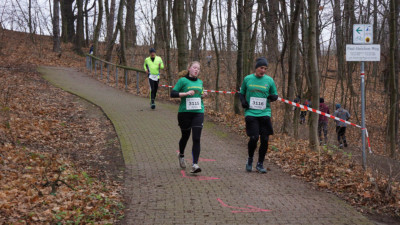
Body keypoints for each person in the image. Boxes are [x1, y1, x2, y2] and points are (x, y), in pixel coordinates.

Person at [239, 57, 278, 173]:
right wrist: (243, 102)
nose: (263, 70)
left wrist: (273, 97)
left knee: (265, 139)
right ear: (256, 68)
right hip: (251, 112)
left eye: (265, 68)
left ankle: (260, 163)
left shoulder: (269, 81)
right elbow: (241, 93)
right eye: (261, 68)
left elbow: (275, 95)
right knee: (254, 137)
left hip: (265, 112)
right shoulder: (248, 79)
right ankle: (250, 159)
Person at [170, 61, 208, 173]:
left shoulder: (200, 82)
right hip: (184, 113)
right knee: (185, 136)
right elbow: (172, 94)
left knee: (196, 138)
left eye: (198, 69)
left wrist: (203, 95)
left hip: (198, 112)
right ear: (189, 68)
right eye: (194, 68)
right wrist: (185, 94)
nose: (196, 70)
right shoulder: (182, 81)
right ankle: (181, 155)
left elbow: (199, 96)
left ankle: (195, 164)